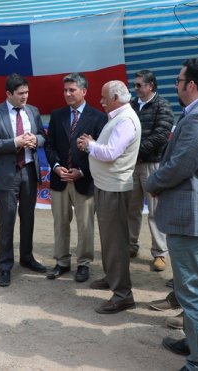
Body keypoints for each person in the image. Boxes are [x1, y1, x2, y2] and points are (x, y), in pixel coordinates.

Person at [147, 58, 198, 370]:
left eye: (179, 80)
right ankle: (194, 345)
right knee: (194, 289)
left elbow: (181, 165)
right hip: (197, 214)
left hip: (190, 216)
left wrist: (154, 182)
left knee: (192, 293)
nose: (176, 85)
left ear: (191, 85)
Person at [77, 80, 141, 314]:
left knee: (115, 242)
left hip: (114, 188)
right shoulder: (119, 116)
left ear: (115, 97)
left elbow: (112, 153)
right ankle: (113, 278)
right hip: (108, 185)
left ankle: (123, 294)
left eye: (104, 97)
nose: (100, 101)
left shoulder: (125, 120)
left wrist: (90, 145)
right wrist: (92, 144)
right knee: (109, 239)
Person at [0, 73, 47, 287]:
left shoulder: (33, 111)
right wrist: (15, 142)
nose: (25, 97)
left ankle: (27, 257)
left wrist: (35, 140)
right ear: (8, 94)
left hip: (29, 171)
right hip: (7, 174)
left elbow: (43, 135)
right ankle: (5, 265)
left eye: (27, 92)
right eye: (20, 94)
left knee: (28, 217)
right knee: (7, 220)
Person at [44, 73, 106, 283]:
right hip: (60, 180)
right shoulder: (57, 115)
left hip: (84, 180)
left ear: (84, 91)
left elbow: (99, 150)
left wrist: (82, 170)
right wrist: (56, 166)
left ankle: (84, 263)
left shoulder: (98, 117)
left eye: (72, 90)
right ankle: (61, 262)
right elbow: (49, 145)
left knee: (85, 224)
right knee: (60, 223)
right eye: (65, 90)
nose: (68, 94)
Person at [129, 69, 174, 271]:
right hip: (131, 165)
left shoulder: (163, 106)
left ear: (151, 86)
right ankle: (130, 245)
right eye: (135, 85)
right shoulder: (130, 105)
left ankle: (160, 253)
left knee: (156, 210)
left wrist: (134, 151)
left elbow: (161, 136)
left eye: (139, 85)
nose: (135, 88)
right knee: (131, 208)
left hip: (153, 165)